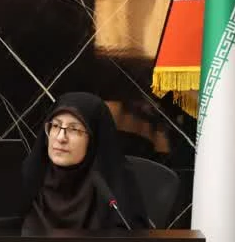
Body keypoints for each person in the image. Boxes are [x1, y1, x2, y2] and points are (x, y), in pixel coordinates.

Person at [21, 92, 150, 233]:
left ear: (94, 139)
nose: (60, 138)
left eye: (74, 129)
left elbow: (130, 239)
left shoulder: (110, 191)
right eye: (56, 126)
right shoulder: (29, 181)